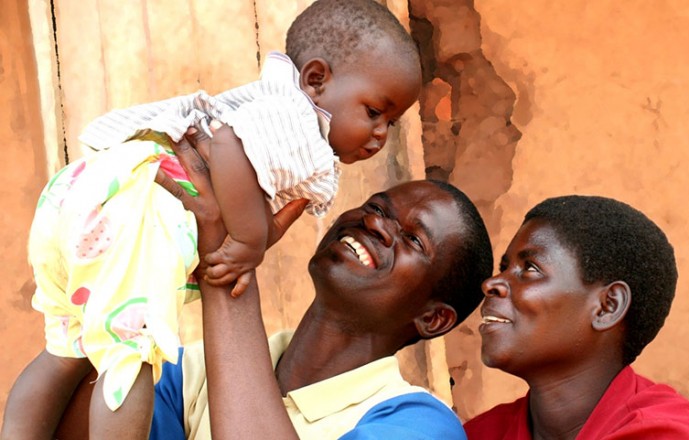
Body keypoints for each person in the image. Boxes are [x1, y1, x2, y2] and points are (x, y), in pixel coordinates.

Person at [0, 1, 422, 438]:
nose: (379, 135)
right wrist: (246, 241)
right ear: (315, 80)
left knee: (66, 348)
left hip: (82, 198)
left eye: (391, 123)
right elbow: (226, 148)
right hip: (133, 215)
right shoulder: (296, 118)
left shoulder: (273, 103)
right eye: (374, 112)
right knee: (132, 355)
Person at [53, 131, 494, 439]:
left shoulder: (420, 425)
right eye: (377, 206)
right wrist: (122, 265)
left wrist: (225, 260)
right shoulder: (193, 370)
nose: (377, 224)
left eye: (413, 240)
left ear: (433, 318)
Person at [463, 195, 689, 439]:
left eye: (530, 268)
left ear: (607, 307)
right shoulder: (482, 433)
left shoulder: (668, 433)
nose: (492, 283)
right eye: (504, 268)